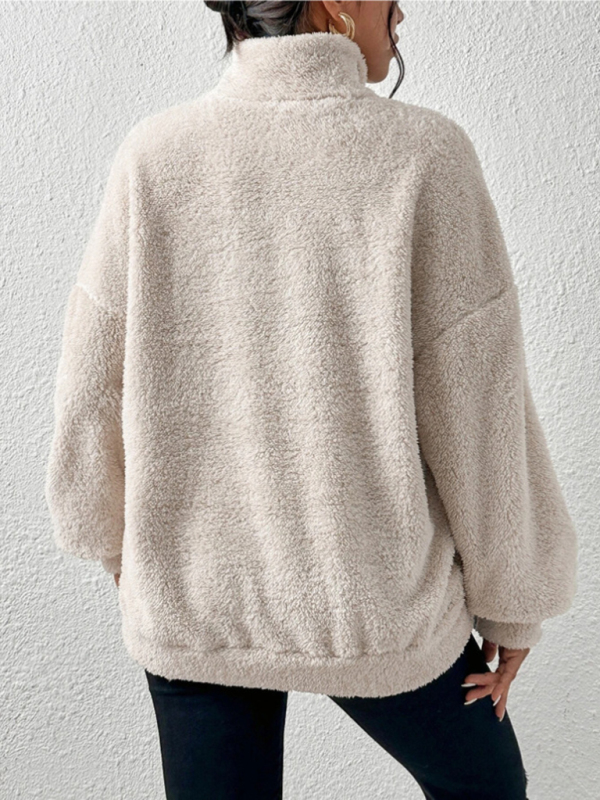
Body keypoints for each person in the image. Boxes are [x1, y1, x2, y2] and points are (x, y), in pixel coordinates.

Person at [44, 2, 578, 798]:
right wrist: (513, 602)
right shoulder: (424, 154)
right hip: (376, 606)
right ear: (333, 4)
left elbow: (91, 381)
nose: (402, 9)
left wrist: (120, 551)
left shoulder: (154, 155)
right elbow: (478, 406)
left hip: (196, 603)